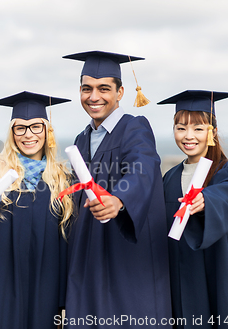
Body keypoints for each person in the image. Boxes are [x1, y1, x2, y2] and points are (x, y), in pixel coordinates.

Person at [62, 51, 171, 327]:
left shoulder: (135, 128)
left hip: (123, 253)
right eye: (87, 89)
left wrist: (120, 198)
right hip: (89, 251)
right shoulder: (81, 138)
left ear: (120, 92)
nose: (94, 96)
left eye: (104, 89)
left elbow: (143, 167)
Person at [0, 91, 73, 328]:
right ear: (12, 133)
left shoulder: (63, 178)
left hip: (46, 285)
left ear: (47, 131)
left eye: (36, 127)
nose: (28, 135)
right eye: (20, 128)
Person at [158, 90, 228, 328]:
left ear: (212, 133)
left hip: (219, 275)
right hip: (183, 278)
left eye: (198, 128)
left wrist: (206, 200)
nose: (188, 136)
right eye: (181, 127)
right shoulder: (169, 178)